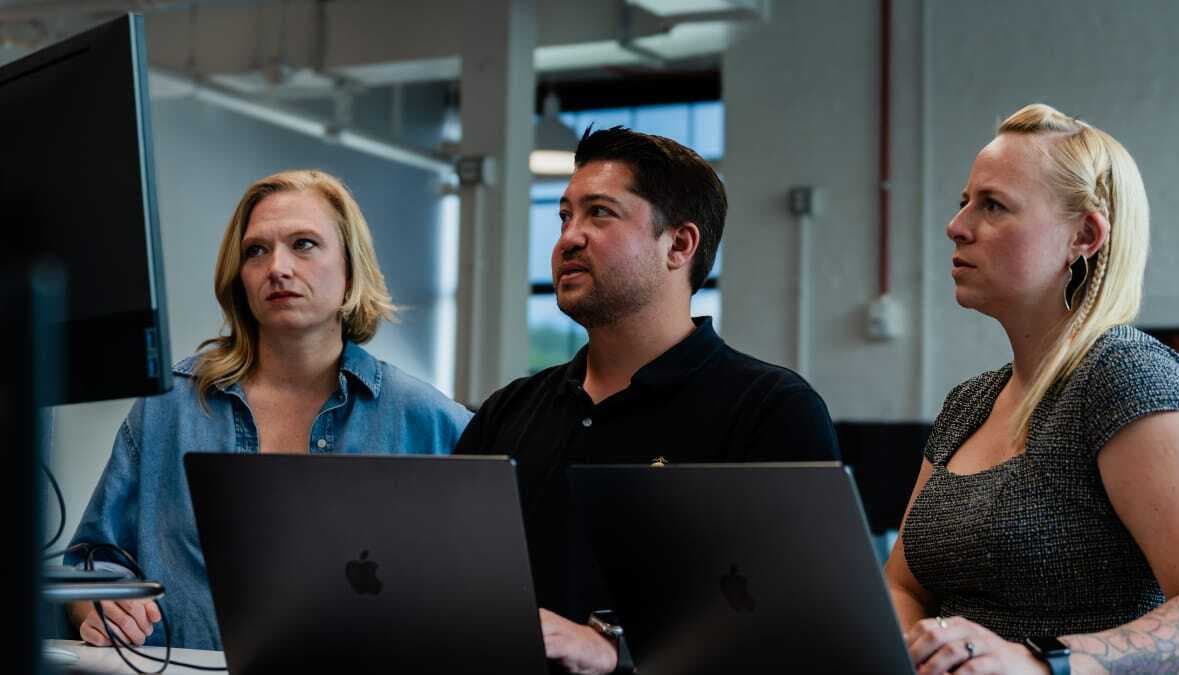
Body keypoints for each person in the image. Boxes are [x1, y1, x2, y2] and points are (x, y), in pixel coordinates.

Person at [454, 127, 840, 675]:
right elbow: (452, 582)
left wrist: (617, 651)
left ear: (679, 245)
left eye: (600, 213)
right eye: (564, 216)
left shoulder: (770, 410)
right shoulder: (509, 412)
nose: (568, 238)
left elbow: (799, 625)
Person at [64, 170, 471, 651]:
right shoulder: (168, 408)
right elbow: (93, 560)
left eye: (304, 244)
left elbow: (491, 583)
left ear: (350, 270)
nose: (277, 267)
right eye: (256, 250)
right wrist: (96, 604)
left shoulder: (426, 418)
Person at [885, 104, 1179, 674]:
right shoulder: (969, 403)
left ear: (1084, 235)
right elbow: (902, 585)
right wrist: (919, 653)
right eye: (964, 201)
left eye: (993, 205)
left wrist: (1041, 662)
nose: (957, 226)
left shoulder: (1128, 377)